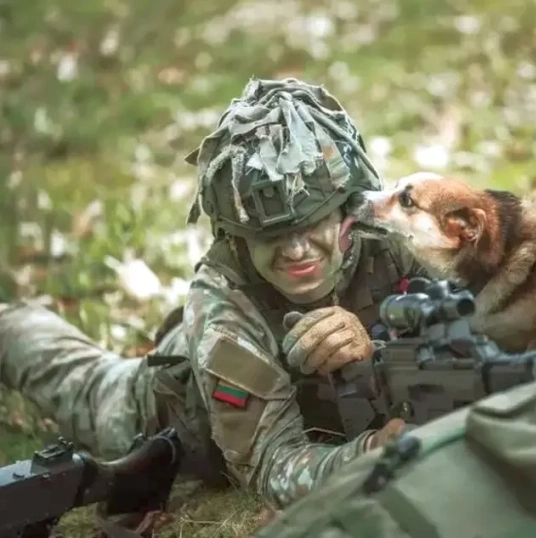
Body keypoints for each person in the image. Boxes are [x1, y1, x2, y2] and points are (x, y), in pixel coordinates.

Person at [0, 78, 426, 509]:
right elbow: (272, 468)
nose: (297, 250)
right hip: (165, 407)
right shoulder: (223, 301)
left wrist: (374, 353)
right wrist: (370, 454)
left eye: (312, 222)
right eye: (271, 235)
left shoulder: (395, 239)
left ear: (347, 208)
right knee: (74, 377)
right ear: (236, 238)